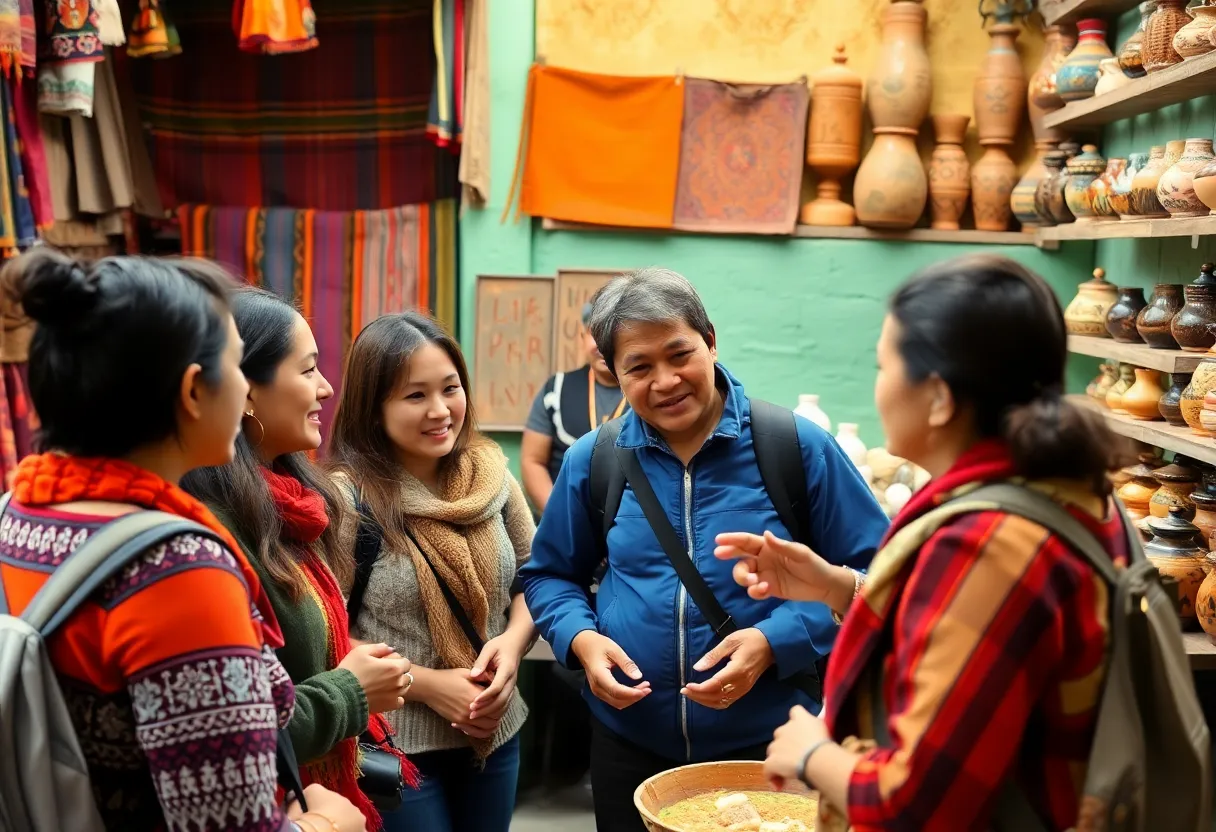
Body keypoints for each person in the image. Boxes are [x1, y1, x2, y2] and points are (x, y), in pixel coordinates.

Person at [716, 255, 1129, 831]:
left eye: (884, 365)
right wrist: (839, 586)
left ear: (938, 397)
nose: (877, 384)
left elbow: (919, 799)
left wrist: (812, 752)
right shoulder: (1059, 489)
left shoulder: (987, 544)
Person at [0, 249, 364, 831]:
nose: (246, 392)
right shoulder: (176, 571)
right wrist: (326, 825)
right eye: (238, 366)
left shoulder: (19, 516)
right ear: (196, 392)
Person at [520, 267, 889, 832]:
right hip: (630, 746)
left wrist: (774, 640)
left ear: (711, 341)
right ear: (613, 375)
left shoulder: (793, 447)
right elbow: (550, 575)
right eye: (638, 367)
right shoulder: (596, 461)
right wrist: (583, 640)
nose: (665, 381)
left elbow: (876, 577)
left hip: (773, 745)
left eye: (679, 354)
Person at [181, 288, 416, 828]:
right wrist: (349, 689)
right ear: (243, 390)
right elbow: (229, 736)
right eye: (307, 369)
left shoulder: (292, 505)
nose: (326, 387)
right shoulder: (209, 533)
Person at [328, 312, 536, 832]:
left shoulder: (493, 477)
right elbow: (325, 631)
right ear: (373, 408)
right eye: (415, 396)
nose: (441, 410)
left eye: (451, 388)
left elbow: (535, 578)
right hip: (393, 744)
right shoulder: (344, 499)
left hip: (493, 732)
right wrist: (427, 684)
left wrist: (510, 649)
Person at [521, 300, 628, 516]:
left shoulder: (649, 390)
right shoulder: (556, 389)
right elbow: (532, 461)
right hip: (564, 520)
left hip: (630, 527)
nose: (601, 344)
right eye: (593, 333)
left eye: (610, 333)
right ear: (582, 337)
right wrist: (560, 518)